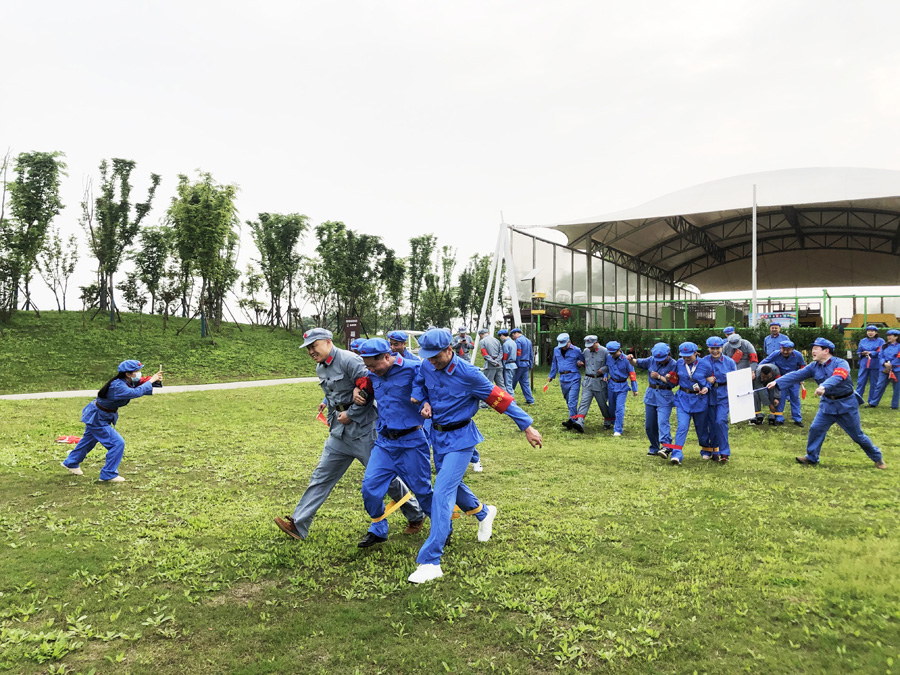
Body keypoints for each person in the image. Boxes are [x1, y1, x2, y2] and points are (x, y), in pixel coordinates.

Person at [409, 329, 543, 583]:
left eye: (436, 356)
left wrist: (527, 426)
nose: (431, 361)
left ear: (450, 350)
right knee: (453, 485)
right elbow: (420, 382)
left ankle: (431, 561)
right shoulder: (427, 366)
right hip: (438, 437)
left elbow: (501, 399)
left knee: (442, 492)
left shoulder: (469, 374)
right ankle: (484, 513)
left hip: (462, 439)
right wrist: (423, 401)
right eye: (428, 357)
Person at [274, 328, 425, 541]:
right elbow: (332, 396)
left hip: (364, 431)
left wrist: (351, 414)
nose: (311, 351)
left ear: (328, 342)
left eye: (314, 346)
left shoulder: (350, 360)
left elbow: (370, 388)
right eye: (308, 348)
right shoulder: (320, 367)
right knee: (321, 476)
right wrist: (331, 415)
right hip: (339, 432)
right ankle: (298, 525)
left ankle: (416, 514)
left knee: (386, 479)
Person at [353, 339, 434, 548]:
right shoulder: (373, 374)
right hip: (384, 443)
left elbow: (434, 389)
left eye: (373, 365)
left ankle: (442, 527)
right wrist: (357, 389)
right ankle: (378, 529)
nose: (371, 370)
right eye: (368, 366)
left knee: (422, 490)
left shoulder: (414, 368)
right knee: (370, 487)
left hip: (412, 441)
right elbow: (365, 383)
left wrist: (427, 404)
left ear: (387, 356)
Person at [767, 337, 885, 469]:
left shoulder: (841, 363)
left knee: (857, 436)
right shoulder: (814, 366)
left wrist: (823, 386)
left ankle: (877, 457)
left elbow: (838, 376)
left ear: (826, 351)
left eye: (816, 348)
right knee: (816, 429)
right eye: (813, 348)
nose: (813, 351)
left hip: (846, 405)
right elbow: (797, 375)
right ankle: (811, 457)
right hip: (827, 405)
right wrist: (777, 382)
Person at [61, 360, 162, 482]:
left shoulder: (127, 381)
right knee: (117, 443)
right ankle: (108, 474)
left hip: (101, 415)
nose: (139, 373)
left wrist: (156, 381)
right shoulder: (117, 386)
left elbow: (141, 383)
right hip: (97, 418)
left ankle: (71, 462)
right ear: (128, 374)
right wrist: (151, 381)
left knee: (88, 441)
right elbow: (136, 392)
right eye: (137, 371)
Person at [662, 342, 711, 465]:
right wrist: (669, 376)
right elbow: (673, 374)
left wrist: (707, 387)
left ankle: (706, 449)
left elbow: (711, 379)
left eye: (688, 356)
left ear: (696, 353)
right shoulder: (679, 363)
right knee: (682, 426)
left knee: (701, 428)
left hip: (699, 399)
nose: (686, 358)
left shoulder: (705, 364)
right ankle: (676, 454)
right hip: (683, 398)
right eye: (683, 356)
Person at [630, 342, 677, 456]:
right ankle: (654, 448)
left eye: (662, 359)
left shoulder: (674, 364)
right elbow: (637, 363)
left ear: (668, 354)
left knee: (662, 422)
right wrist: (630, 359)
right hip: (651, 396)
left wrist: (659, 377)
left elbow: (673, 383)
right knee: (650, 425)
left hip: (665, 396)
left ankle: (666, 447)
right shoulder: (651, 360)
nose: (659, 361)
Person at [700, 336, 736, 462]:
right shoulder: (703, 361)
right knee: (711, 423)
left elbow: (735, 379)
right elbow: (697, 376)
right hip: (708, 395)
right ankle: (713, 449)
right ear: (708, 348)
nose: (715, 351)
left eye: (718, 348)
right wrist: (706, 379)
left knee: (720, 421)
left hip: (723, 395)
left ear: (722, 348)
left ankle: (724, 452)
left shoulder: (729, 362)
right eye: (712, 348)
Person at [759, 340, 806, 425]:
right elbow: (764, 362)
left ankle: (797, 419)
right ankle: (779, 418)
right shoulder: (775, 354)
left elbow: (802, 366)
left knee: (795, 398)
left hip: (794, 379)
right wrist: (757, 370)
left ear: (792, 349)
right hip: (781, 379)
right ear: (780, 348)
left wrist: (802, 377)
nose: (785, 352)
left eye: (788, 350)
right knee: (781, 398)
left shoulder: (798, 355)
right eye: (783, 349)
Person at [572, 335, 612, 433]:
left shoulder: (605, 351)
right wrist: (579, 363)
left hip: (599, 382)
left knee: (602, 404)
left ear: (596, 343)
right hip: (588, 381)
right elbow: (580, 359)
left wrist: (603, 370)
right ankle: (579, 422)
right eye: (588, 346)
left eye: (591, 346)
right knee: (584, 402)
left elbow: (611, 365)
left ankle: (608, 420)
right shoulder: (585, 351)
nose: (589, 348)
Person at [548, 333, 582, 430]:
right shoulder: (556, 350)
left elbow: (582, 360)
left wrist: (579, 363)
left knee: (572, 400)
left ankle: (572, 420)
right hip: (563, 378)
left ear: (569, 342)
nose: (563, 347)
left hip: (574, 377)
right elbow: (554, 362)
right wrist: (551, 375)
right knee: (567, 399)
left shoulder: (577, 350)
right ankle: (574, 417)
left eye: (565, 345)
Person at [605, 341, 638, 437]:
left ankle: (618, 429)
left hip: (622, 386)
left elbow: (632, 374)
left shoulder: (627, 360)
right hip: (611, 385)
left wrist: (635, 389)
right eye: (610, 353)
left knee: (619, 408)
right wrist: (605, 375)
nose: (612, 355)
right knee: (611, 406)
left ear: (619, 350)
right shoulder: (609, 357)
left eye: (613, 353)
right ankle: (612, 421)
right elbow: (607, 368)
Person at [869, 328, 900, 409]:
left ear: (896, 337)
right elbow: (880, 356)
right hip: (884, 369)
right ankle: (873, 403)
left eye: (891, 336)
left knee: (897, 387)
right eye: (888, 335)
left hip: (896, 369)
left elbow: (898, 357)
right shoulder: (884, 346)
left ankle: (894, 405)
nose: (888, 337)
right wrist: (884, 363)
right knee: (879, 385)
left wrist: (891, 364)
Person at [856, 325, 885, 400]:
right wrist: (861, 354)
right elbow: (858, 351)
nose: (870, 333)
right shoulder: (863, 341)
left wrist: (871, 353)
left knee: (874, 383)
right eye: (868, 331)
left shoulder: (880, 341)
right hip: (864, 363)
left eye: (872, 331)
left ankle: (872, 401)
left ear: (876, 332)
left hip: (875, 363)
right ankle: (857, 399)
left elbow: (881, 352)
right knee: (860, 381)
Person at [510, 328, 535, 405]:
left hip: (519, 364)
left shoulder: (518, 341)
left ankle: (510, 399)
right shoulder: (528, 341)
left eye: (513, 335)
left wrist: (516, 364)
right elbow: (531, 354)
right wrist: (531, 364)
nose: (513, 337)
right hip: (526, 364)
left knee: (512, 382)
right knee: (525, 383)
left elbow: (518, 354)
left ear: (516, 333)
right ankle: (530, 400)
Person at [499, 329, 518, 395]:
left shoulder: (506, 344)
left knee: (508, 384)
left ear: (502, 335)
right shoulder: (513, 342)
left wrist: (503, 364)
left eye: (500, 336)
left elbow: (505, 355)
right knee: (511, 383)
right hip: (514, 365)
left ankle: (511, 399)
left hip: (508, 365)